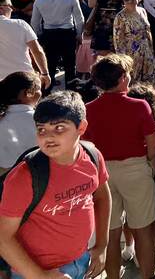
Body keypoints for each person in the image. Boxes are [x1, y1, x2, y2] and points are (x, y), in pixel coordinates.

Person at [0, 91, 110, 279]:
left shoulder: (93, 156)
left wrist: (102, 246)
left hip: (82, 260)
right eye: (41, 129)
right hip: (34, 271)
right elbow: (3, 238)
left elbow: (102, 197)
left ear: (81, 127)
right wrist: (41, 276)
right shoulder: (25, 176)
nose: (47, 137)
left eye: (59, 128)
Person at [83, 55, 155, 279]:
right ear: (124, 78)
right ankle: (148, 276)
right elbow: (153, 142)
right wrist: (149, 161)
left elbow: (85, 145)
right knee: (142, 229)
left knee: (111, 232)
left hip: (102, 174)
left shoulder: (88, 109)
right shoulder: (139, 105)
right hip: (135, 168)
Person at [31, 0, 84, 89]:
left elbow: (35, 22)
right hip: (67, 33)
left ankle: (46, 93)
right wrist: (79, 34)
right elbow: (79, 19)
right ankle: (71, 93)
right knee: (70, 65)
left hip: (49, 34)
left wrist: (39, 35)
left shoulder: (40, 0)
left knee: (50, 65)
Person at [113, 0, 155, 86]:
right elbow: (118, 42)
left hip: (147, 53)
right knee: (135, 86)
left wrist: (152, 51)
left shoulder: (142, 11)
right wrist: (123, 63)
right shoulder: (120, 16)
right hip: (132, 57)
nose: (130, 0)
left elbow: (148, 32)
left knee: (150, 85)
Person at [0, 0, 49, 87]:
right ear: (1, 8)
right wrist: (45, 74)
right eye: (10, 6)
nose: (12, 9)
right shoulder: (20, 24)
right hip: (23, 78)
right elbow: (37, 51)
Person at [0, 72, 41, 174]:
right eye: (39, 89)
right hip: (37, 174)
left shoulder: (2, 119)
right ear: (28, 93)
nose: (41, 93)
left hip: (6, 177)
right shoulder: (40, 119)